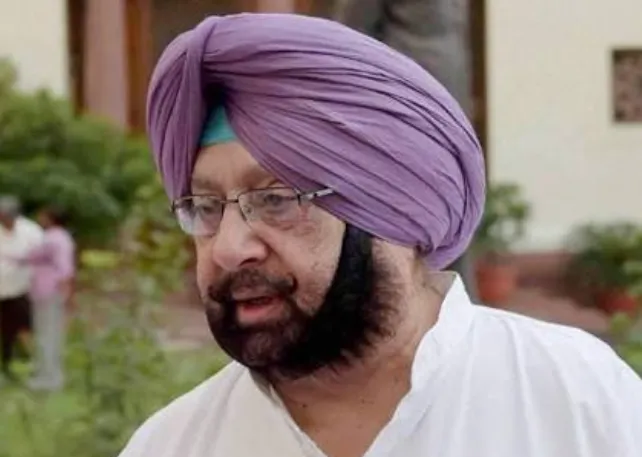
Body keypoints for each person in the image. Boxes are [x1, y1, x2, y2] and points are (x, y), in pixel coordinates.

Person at [119, 14, 642, 457]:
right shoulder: (173, 445)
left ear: (392, 209)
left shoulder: (574, 400)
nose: (229, 249)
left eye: (277, 200)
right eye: (206, 207)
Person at [15, 206, 76, 391]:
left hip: (48, 292)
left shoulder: (52, 239)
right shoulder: (62, 237)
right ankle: (49, 375)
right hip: (51, 292)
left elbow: (64, 269)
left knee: (46, 334)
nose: (40, 218)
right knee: (51, 334)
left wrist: (66, 291)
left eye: (43, 216)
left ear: (51, 218)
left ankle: (48, 378)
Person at [0, 196, 43, 384]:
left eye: (6, 216)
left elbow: (42, 259)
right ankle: (6, 366)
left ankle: (37, 365)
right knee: (5, 332)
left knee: (25, 327)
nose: (4, 220)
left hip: (21, 289)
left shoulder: (31, 231)